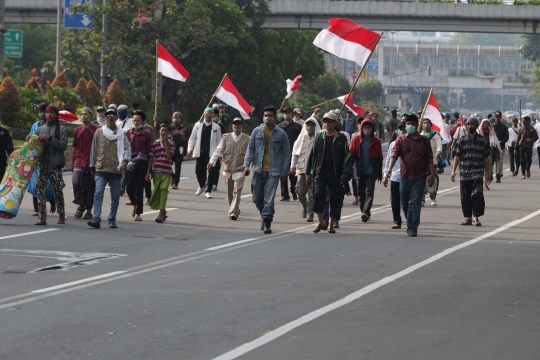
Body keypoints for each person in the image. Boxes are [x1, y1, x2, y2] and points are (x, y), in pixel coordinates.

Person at [243, 106, 291, 234]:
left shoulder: (281, 134)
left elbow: (287, 153)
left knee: (269, 198)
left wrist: (284, 171)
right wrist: (246, 165)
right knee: (256, 198)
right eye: (265, 115)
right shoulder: (256, 132)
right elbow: (250, 149)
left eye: (269, 115)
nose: (267, 117)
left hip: (274, 172)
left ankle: (268, 221)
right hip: (258, 170)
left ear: (275, 117)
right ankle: (264, 216)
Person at [386, 114, 434, 237]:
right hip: (404, 175)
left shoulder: (424, 140)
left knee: (415, 202)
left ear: (417, 125)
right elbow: (394, 155)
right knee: (404, 202)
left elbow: (429, 158)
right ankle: (411, 219)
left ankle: (412, 228)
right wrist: (389, 169)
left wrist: (432, 174)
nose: (410, 126)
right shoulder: (400, 140)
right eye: (408, 124)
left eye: (413, 123)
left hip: (420, 176)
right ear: (405, 126)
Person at [305, 112, 348, 234]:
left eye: (330, 121)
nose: (327, 123)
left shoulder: (341, 137)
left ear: (335, 123)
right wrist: (307, 172)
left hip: (335, 174)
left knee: (335, 199)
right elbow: (312, 155)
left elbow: (346, 157)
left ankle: (330, 224)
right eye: (325, 121)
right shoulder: (319, 137)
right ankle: (320, 222)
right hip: (320, 172)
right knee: (318, 196)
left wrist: (346, 173)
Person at [88, 109, 131, 229]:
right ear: (105, 118)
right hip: (101, 168)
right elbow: (94, 150)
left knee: (115, 196)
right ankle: (96, 219)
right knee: (98, 193)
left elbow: (127, 149)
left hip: (116, 169)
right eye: (108, 116)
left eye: (113, 116)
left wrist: (125, 160)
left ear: (116, 118)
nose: (110, 118)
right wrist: (92, 167)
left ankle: (112, 219)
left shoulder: (122, 133)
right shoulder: (99, 132)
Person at [451, 117, 491, 227]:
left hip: (478, 172)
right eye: (468, 125)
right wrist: (453, 171)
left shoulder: (482, 141)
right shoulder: (462, 140)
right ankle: (468, 217)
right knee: (465, 195)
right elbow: (457, 156)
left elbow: (486, 158)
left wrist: (488, 174)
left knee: (478, 193)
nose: (470, 127)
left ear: (477, 126)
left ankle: (476, 218)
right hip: (464, 172)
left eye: (472, 125)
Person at [208, 117, 250, 220]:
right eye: (235, 124)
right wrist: (211, 162)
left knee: (237, 190)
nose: (237, 126)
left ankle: (233, 212)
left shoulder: (247, 139)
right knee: (230, 193)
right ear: (232, 126)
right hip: (227, 169)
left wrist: (248, 166)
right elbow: (218, 151)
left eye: (239, 124)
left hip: (240, 169)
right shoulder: (226, 138)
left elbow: (250, 154)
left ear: (242, 125)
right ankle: (234, 208)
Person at [34, 105, 68, 225]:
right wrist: (31, 140)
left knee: (57, 190)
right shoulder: (40, 129)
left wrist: (50, 138)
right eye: (47, 112)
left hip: (55, 165)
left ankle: (62, 214)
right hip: (42, 164)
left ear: (56, 115)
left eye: (51, 112)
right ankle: (42, 217)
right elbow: (34, 146)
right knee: (40, 191)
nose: (48, 114)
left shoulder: (62, 129)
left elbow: (63, 145)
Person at [349, 118, 383, 222]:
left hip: (371, 172)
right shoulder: (356, 139)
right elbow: (352, 154)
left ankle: (366, 212)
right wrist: (348, 169)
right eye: (364, 127)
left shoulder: (376, 141)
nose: (366, 129)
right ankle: (363, 211)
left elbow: (379, 158)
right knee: (361, 194)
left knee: (369, 192)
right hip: (359, 171)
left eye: (368, 127)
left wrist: (380, 174)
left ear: (372, 128)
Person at [26, 102, 56, 216]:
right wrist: (29, 138)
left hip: (49, 159)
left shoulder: (54, 127)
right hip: (35, 158)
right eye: (40, 111)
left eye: (43, 111)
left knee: (48, 185)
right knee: (35, 184)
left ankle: (52, 201)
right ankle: (37, 209)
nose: (42, 114)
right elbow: (31, 139)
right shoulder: (35, 125)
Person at [187, 107, 222, 198]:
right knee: (198, 171)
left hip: (212, 153)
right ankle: (202, 185)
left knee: (211, 172)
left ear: (213, 115)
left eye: (210, 114)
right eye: (206, 114)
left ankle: (208, 190)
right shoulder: (198, 125)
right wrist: (189, 149)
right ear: (203, 115)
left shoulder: (216, 127)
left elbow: (219, 142)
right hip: (200, 152)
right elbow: (193, 138)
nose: (208, 115)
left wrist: (220, 155)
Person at [71, 106, 99, 220]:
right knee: (76, 182)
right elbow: (74, 146)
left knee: (90, 186)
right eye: (82, 114)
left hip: (92, 162)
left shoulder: (97, 130)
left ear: (91, 116)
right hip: (79, 160)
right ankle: (81, 205)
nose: (83, 116)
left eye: (86, 114)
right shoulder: (77, 130)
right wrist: (72, 162)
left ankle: (88, 210)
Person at [291, 117, 320, 222]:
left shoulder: (319, 139)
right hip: (302, 170)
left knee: (312, 194)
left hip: (314, 171)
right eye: (308, 125)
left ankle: (310, 214)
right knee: (300, 192)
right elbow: (295, 153)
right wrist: (292, 165)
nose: (310, 127)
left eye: (313, 125)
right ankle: (305, 206)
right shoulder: (301, 139)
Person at [125, 110, 153, 221]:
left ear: (143, 122)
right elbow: (124, 149)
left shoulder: (147, 134)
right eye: (134, 121)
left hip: (142, 164)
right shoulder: (128, 133)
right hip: (130, 163)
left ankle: (138, 213)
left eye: (138, 121)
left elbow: (151, 153)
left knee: (140, 188)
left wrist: (149, 171)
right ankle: (134, 203)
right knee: (129, 187)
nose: (136, 123)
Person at [146, 122, 175, 223]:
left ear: (169, 133)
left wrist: (166, 144)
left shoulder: (172, 143)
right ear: (159, 131)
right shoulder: (154, 144)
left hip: (167, 171)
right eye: (162, 130)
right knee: (157, 192)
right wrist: (148, 171)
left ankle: (160, 213)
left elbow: (169, 156)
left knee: (163, 189)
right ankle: (163, 211)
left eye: (166, 131)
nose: (164, 132)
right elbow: (151, 157)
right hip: (156, 171)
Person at [383, 120, 406, 229]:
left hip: (408, 176)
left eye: (404, 128)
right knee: (395, 201)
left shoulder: (413, 142)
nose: (402, 131)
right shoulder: (393, 144)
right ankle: (397, 221)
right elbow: (388, 160)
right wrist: (385, 175)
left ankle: (410, 219)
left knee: (406, 201)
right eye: (400, 129)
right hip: (395, 176)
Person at [278, 106, 303, 201]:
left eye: (288, 112)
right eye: (285, 112)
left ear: (292, 113)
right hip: (282, 153)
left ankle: (294, 191)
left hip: (294, 153)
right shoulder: (279, 126)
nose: (286, 114)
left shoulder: (297, 126)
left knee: (293, 175)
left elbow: (301, 139)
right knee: (282, 174)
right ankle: (284, 194)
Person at [420, 118, 442, 207]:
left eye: (427, 123)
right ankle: (422, 199)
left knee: (433, 178)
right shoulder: (419, 135)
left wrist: (438, 152)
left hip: (433, 161)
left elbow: (439, 144)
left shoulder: (435, 135)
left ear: (431, 124)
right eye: (424, 123)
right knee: (421, 180)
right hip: (421, 162)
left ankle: (433, 197)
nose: (426, 124)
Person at [478, 119, 500, 190]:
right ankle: (480, 184)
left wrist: (497, 156)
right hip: (480, 153)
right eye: (484, 123)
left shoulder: (492, 133)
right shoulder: (478, 133)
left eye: (486, 123)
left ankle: (486, 183)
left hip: (489, 154)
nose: (485, 125)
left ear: (489, 125)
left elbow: (496, 145)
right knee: (480, 169)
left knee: (488, 169)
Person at [170, 112, 189, 189]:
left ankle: (176, 182)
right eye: (174, 117)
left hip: (179, 148)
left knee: (178, 167)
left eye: (177, 118)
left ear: (180, 119)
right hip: (171, 148)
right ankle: (173, 176)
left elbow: (187, 139)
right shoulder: (170, 127)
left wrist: (187, 151)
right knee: (168, 165)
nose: (176, 119)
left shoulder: (184, 129)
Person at [492, 111, 509, 183]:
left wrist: (501, 141)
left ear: (501, 117)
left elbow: (506, 137)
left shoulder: (504, 127)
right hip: (492, 146)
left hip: (501, 146)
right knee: (491, 161)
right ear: (494, 117)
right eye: (496, 117)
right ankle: (490, 174)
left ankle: (498, 176)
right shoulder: (491, 126)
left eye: (498, 117)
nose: (497, 118)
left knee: (499, 162)